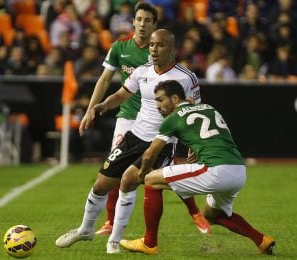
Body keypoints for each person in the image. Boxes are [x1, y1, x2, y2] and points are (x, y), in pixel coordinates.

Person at [55, 29, 209, 254]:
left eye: (160, 45)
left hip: (162, 141)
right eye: (152, 46)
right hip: (134, 136)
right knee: (100, 185)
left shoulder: (186, 77)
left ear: (171, 48)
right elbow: (122, 94)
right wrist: (105, 104)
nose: (154, 49)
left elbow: (193, 113)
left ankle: (114, 242)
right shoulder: (142, 71)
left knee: (128, 180)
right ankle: (85, 230)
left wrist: (194, 144)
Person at [120, 80, 276, 255]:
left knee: (151, 180)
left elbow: (150, 154)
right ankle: (262, 240)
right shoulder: (209, 108)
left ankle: (149, 244)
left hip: (216, 170)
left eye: (160, 100)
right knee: (213, 215)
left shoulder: (173, 118)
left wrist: (142, 173)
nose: (157, 106)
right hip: (239, 170)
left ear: (175, 98)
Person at [78, 2, 158, 236]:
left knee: (157, 174)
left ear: (154, 25)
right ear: (133, 21)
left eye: (148, 20)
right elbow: (104, 80)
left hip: (153, 120)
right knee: (115, 168)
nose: (143, 24)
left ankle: (195, 213)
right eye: (139, 19)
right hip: (127, 117)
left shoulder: (158, 50)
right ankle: (110, 222)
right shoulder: (119, 47)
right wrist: (90, 110)